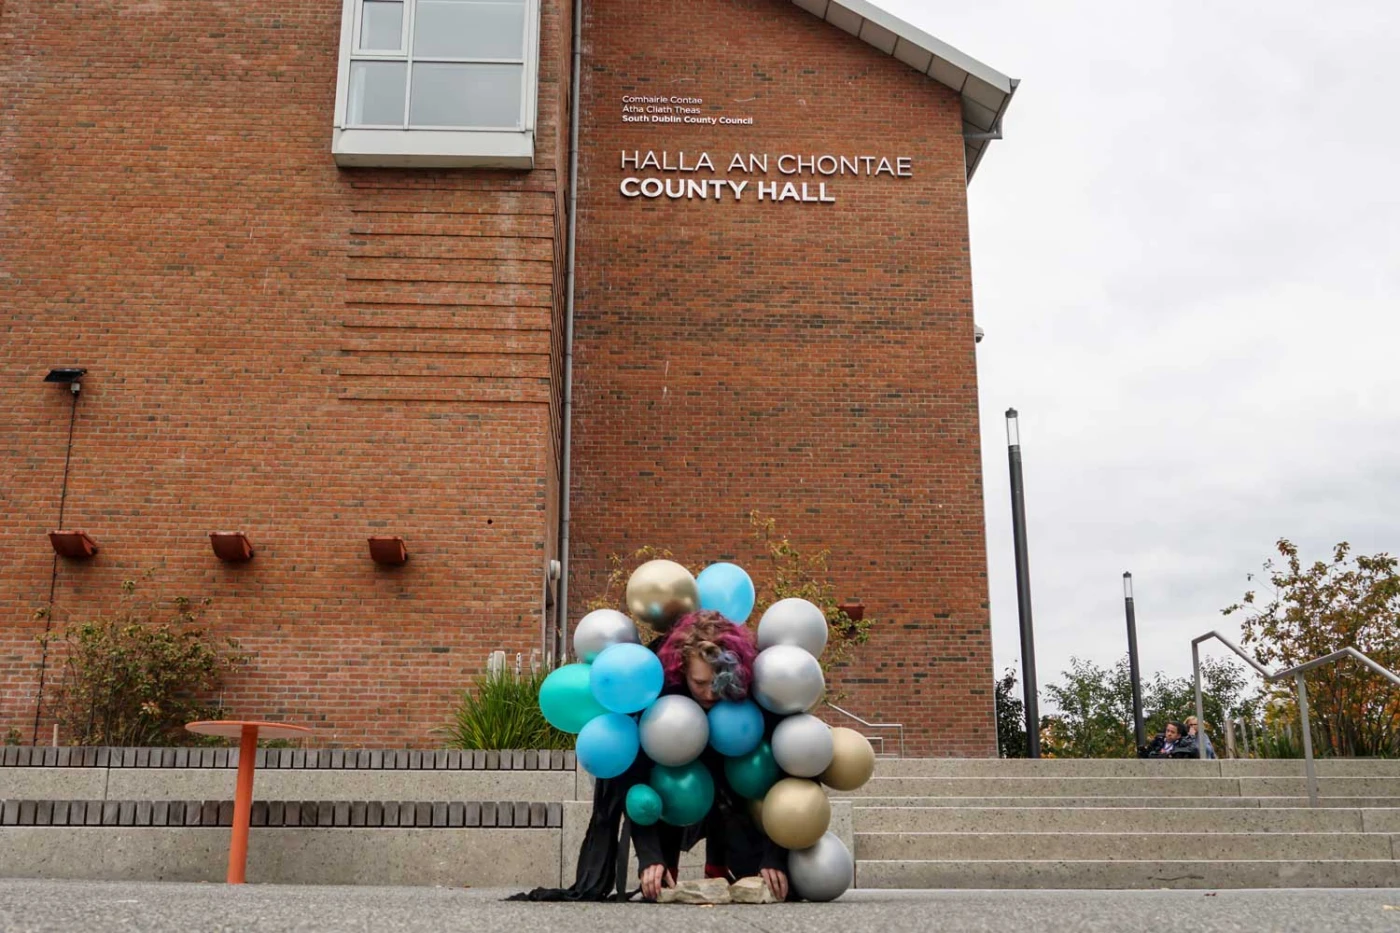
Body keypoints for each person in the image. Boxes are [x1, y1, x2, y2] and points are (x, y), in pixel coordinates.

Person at [634, 611, 790, 901]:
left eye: (717, 682)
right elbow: (639, 779)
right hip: (679, 783)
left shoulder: (753, 700)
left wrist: (775, 857)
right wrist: (649, 856)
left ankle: (720, 863)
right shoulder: (664, 702)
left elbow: (787, 777)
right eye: (699, 682)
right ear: (682, 672)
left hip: (740, 792)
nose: (709, 693)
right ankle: (668, 866)